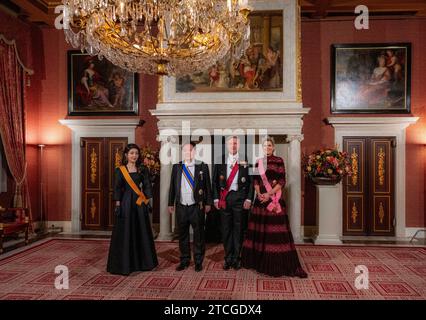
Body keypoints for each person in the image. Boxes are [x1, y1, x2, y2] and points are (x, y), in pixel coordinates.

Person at [241, 137, 307, 278]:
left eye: (269, 145)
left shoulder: (279, 161)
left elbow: (282, 180)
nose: (267, 148)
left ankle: (277, 264)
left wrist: (268, 194)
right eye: (265, 146)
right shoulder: (258, 162)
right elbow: (256, 181)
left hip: (274, 201)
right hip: (261, 202)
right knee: (261, 232)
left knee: (275, 233)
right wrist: (259, 194)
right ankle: (258, 262)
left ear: (273, 147)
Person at [107, 144, 158, 275]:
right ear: (126, 155)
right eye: (131, 153)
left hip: (139, 203)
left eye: (136, 153)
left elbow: (146, 186)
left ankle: (143, 263)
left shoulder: (143, 169)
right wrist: (118, 205)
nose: (134, 156)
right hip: (125, 203)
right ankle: (125, 264)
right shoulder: (120, 170)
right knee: (126, 232)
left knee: (140, 231)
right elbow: (117, 188)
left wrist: (148, 201)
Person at [168, 142, 213, 272]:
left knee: (198, 235)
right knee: (182, 234)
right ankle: (185, 260)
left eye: (190, 150)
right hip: (181, 205)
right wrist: (171, 203)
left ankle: (198, 261)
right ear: (183, 152)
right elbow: (172, 186)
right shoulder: (177, 167)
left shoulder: (202, 166)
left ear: (194, 152)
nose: (188, 153)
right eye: (185, 151)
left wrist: (208, 203)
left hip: (196, 206)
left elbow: (207, 187)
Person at [213, 136, 254, 270]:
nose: (233, 145)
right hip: (225, 198)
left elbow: (251, 182)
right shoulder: (220, 160)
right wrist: (215, 198)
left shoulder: (246, 160)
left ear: (239, 145)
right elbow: (214, 182)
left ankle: (236, 258)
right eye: (231, 143)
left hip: (240, 198)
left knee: (239, 229)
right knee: (226, 229)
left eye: (235, 143)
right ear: (227, 145)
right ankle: (228, 257)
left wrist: (249, 198)